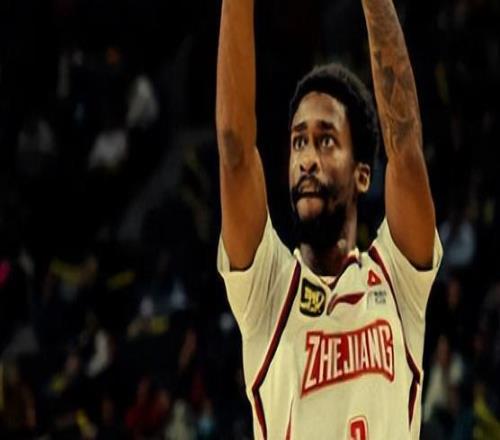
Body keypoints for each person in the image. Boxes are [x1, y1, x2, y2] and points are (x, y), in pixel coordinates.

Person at [215, 0, 442, 438]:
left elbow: (406, 150)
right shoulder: (268, 291)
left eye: (326, 141)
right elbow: (235, 151)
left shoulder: (398, 282)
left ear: (362, 175)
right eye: (299, 142)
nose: (307, 159)